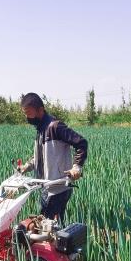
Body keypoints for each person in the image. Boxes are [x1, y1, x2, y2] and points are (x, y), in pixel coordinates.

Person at [17, 92, 88, 223]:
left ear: (40, 110)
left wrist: (76, 167)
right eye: (25, 114)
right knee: (46, 225)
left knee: (48, 228)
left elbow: (81, 143)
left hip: (58, 188)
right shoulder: (41, 129)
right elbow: (41, 155)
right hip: (46, 187)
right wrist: (27, 166)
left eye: (28, 113)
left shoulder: (55, 126)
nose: (27, 117)